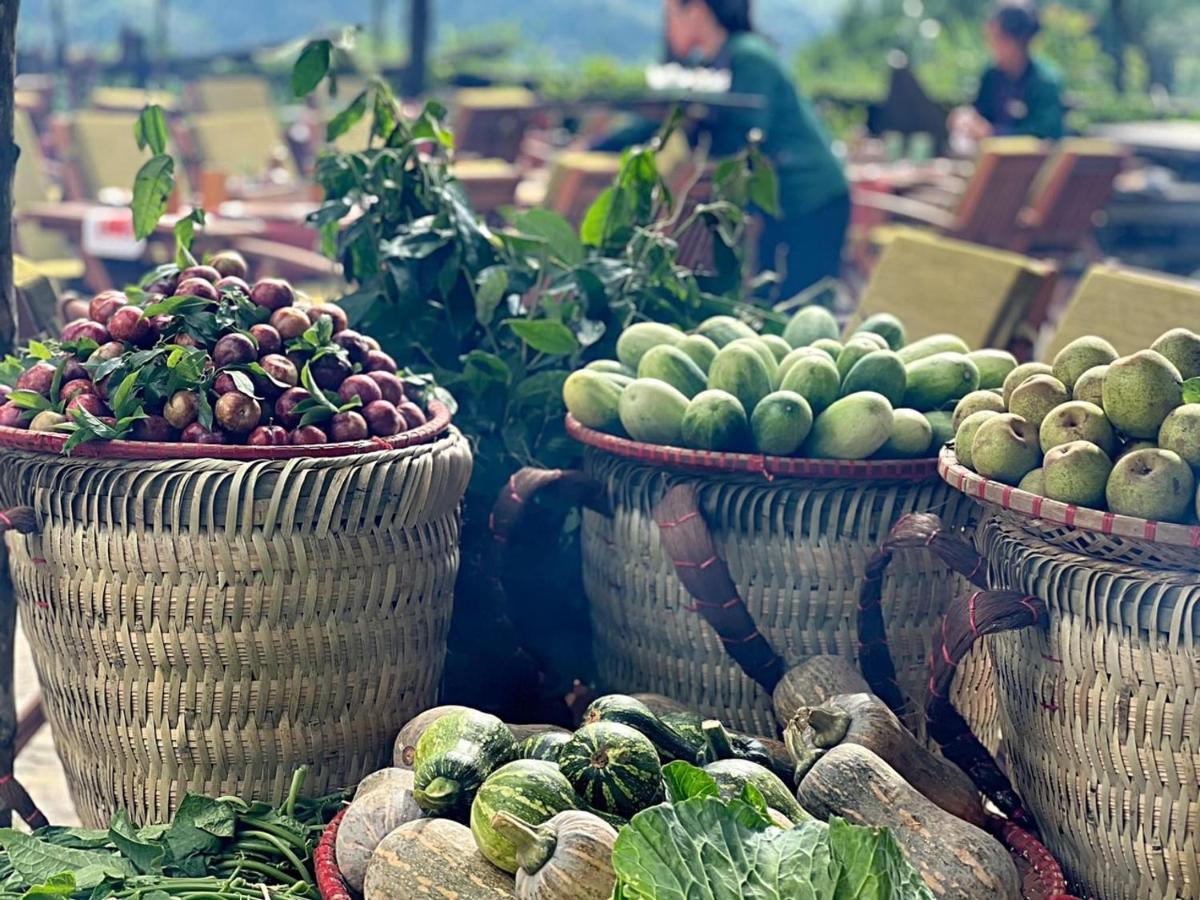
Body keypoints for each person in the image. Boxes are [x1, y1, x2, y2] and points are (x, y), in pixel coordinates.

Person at [595, 0, 850, 299]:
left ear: (697, 11)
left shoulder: (749, 56)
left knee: (802, 303)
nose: (667, 27)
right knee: (772, 298)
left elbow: (743, 139)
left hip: (810, 196)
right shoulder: (709, 63)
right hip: (780, 202)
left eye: (671, 14)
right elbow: (662, 118)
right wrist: (598, 147)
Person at [955, 2, 1065, 142]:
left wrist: (993, 134)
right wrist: (967, 119)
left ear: (1020, 40)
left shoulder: (1045, 82)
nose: (991, 45)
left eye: (998, 38)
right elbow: (981, 113)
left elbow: (1045, 137)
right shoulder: (991, 76)